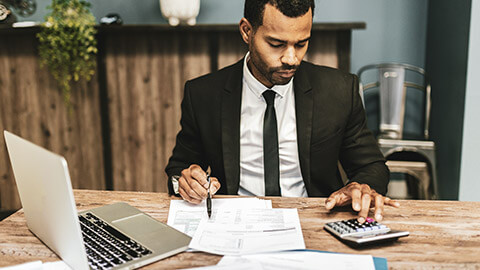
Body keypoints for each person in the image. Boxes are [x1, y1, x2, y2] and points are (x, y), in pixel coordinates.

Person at [165, 0, 399, 223]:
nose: (291, 59)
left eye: (301, 44)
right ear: (247, 31)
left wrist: (360, 186)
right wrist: (185, 182)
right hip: (235, 222)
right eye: (276, 44)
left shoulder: (339, 91)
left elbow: (371, 167)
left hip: (316, 220)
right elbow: (179, 170)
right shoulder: (204, 94)